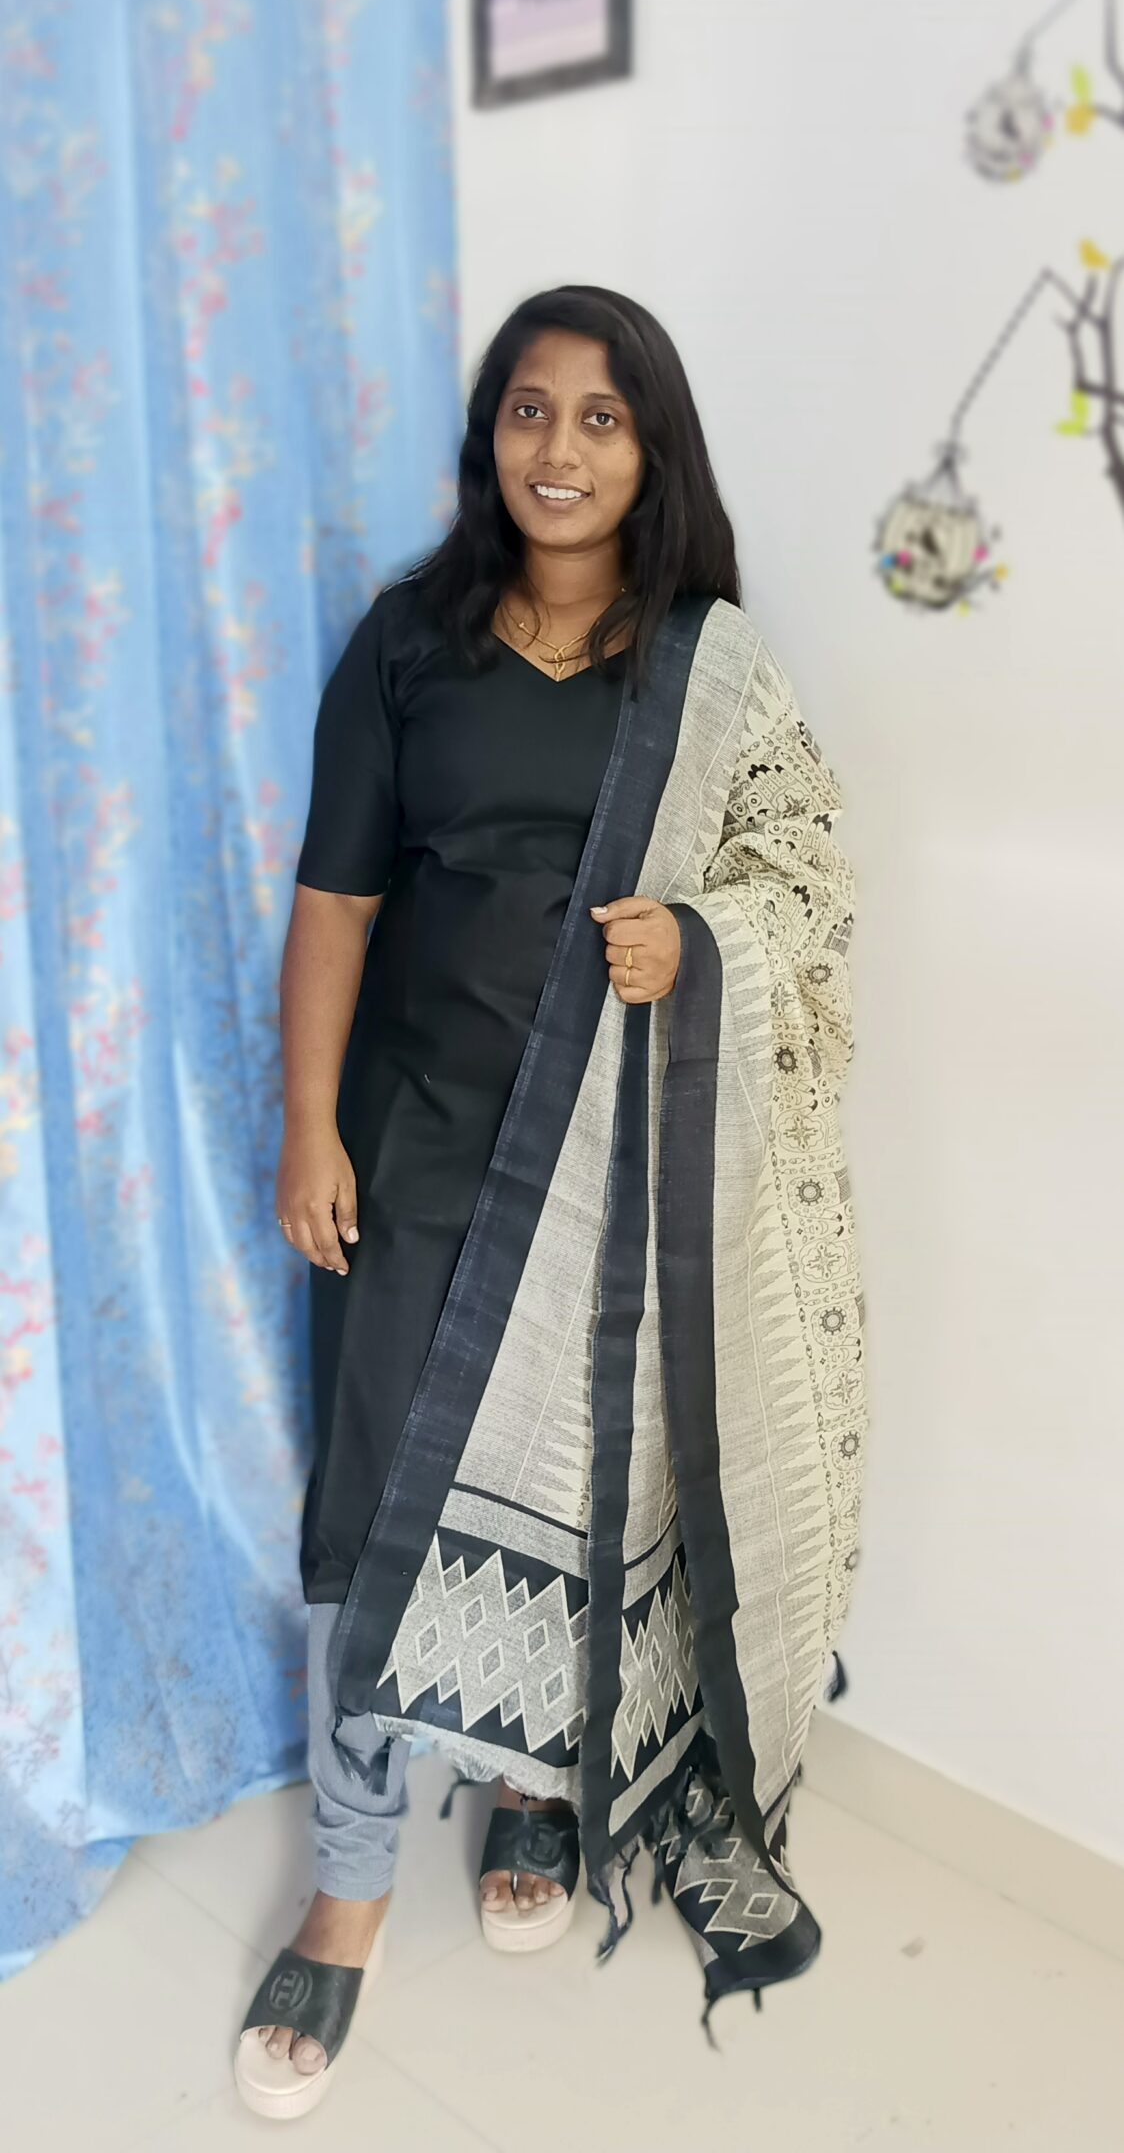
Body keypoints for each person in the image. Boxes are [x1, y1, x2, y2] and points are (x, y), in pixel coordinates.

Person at [234, 285, 865, 2120]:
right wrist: (307, 1128)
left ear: (651, 450)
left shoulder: (710, 667)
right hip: (419, 1149)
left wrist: (703, 939)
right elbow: (337, 902)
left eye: (601, 417)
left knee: (584, 1490)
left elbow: (809, 884)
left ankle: (532, 1788)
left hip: (622, 1172)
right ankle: (349, 1890)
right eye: (530, 410)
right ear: (488, 436)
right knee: (373, 1515)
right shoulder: (407, 645)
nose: (561, 450)